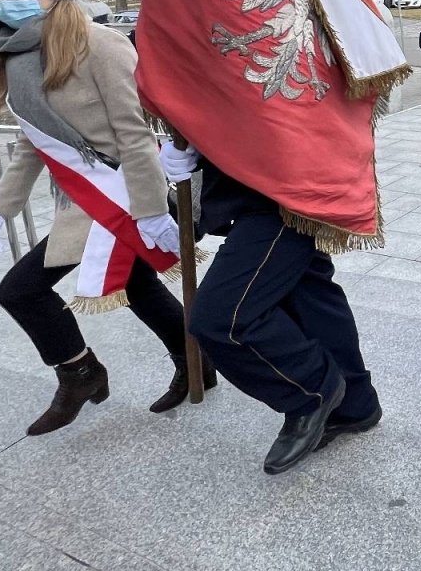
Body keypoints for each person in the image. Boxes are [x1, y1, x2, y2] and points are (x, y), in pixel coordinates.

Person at [0, 0, 204, 435]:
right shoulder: (19, 54)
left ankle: (80, 373)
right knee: (138, 285)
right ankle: (194, 362)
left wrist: (148, 210)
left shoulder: (100, 45)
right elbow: (33, 143)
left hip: (119, 196)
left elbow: (133, 134)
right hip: (82, 196)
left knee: (20, 290)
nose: (6, 5)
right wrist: (0, 210)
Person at [158, 143, 384, 473]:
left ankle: (313, 390)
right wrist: (193, 145)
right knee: (309, 294)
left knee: (220, 318)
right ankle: (355, 404)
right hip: (260, 186)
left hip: (286, 183)